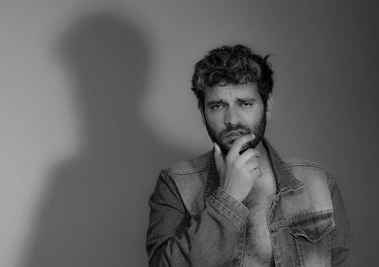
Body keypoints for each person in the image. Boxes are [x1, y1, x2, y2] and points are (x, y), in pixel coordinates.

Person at [146, 44, 354, 266]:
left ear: (268, 106)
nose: (232, 120)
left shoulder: (319, 182)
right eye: (217, 106)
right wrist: (227, 200)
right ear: (202, 112)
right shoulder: (175, 183)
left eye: (245, 104)